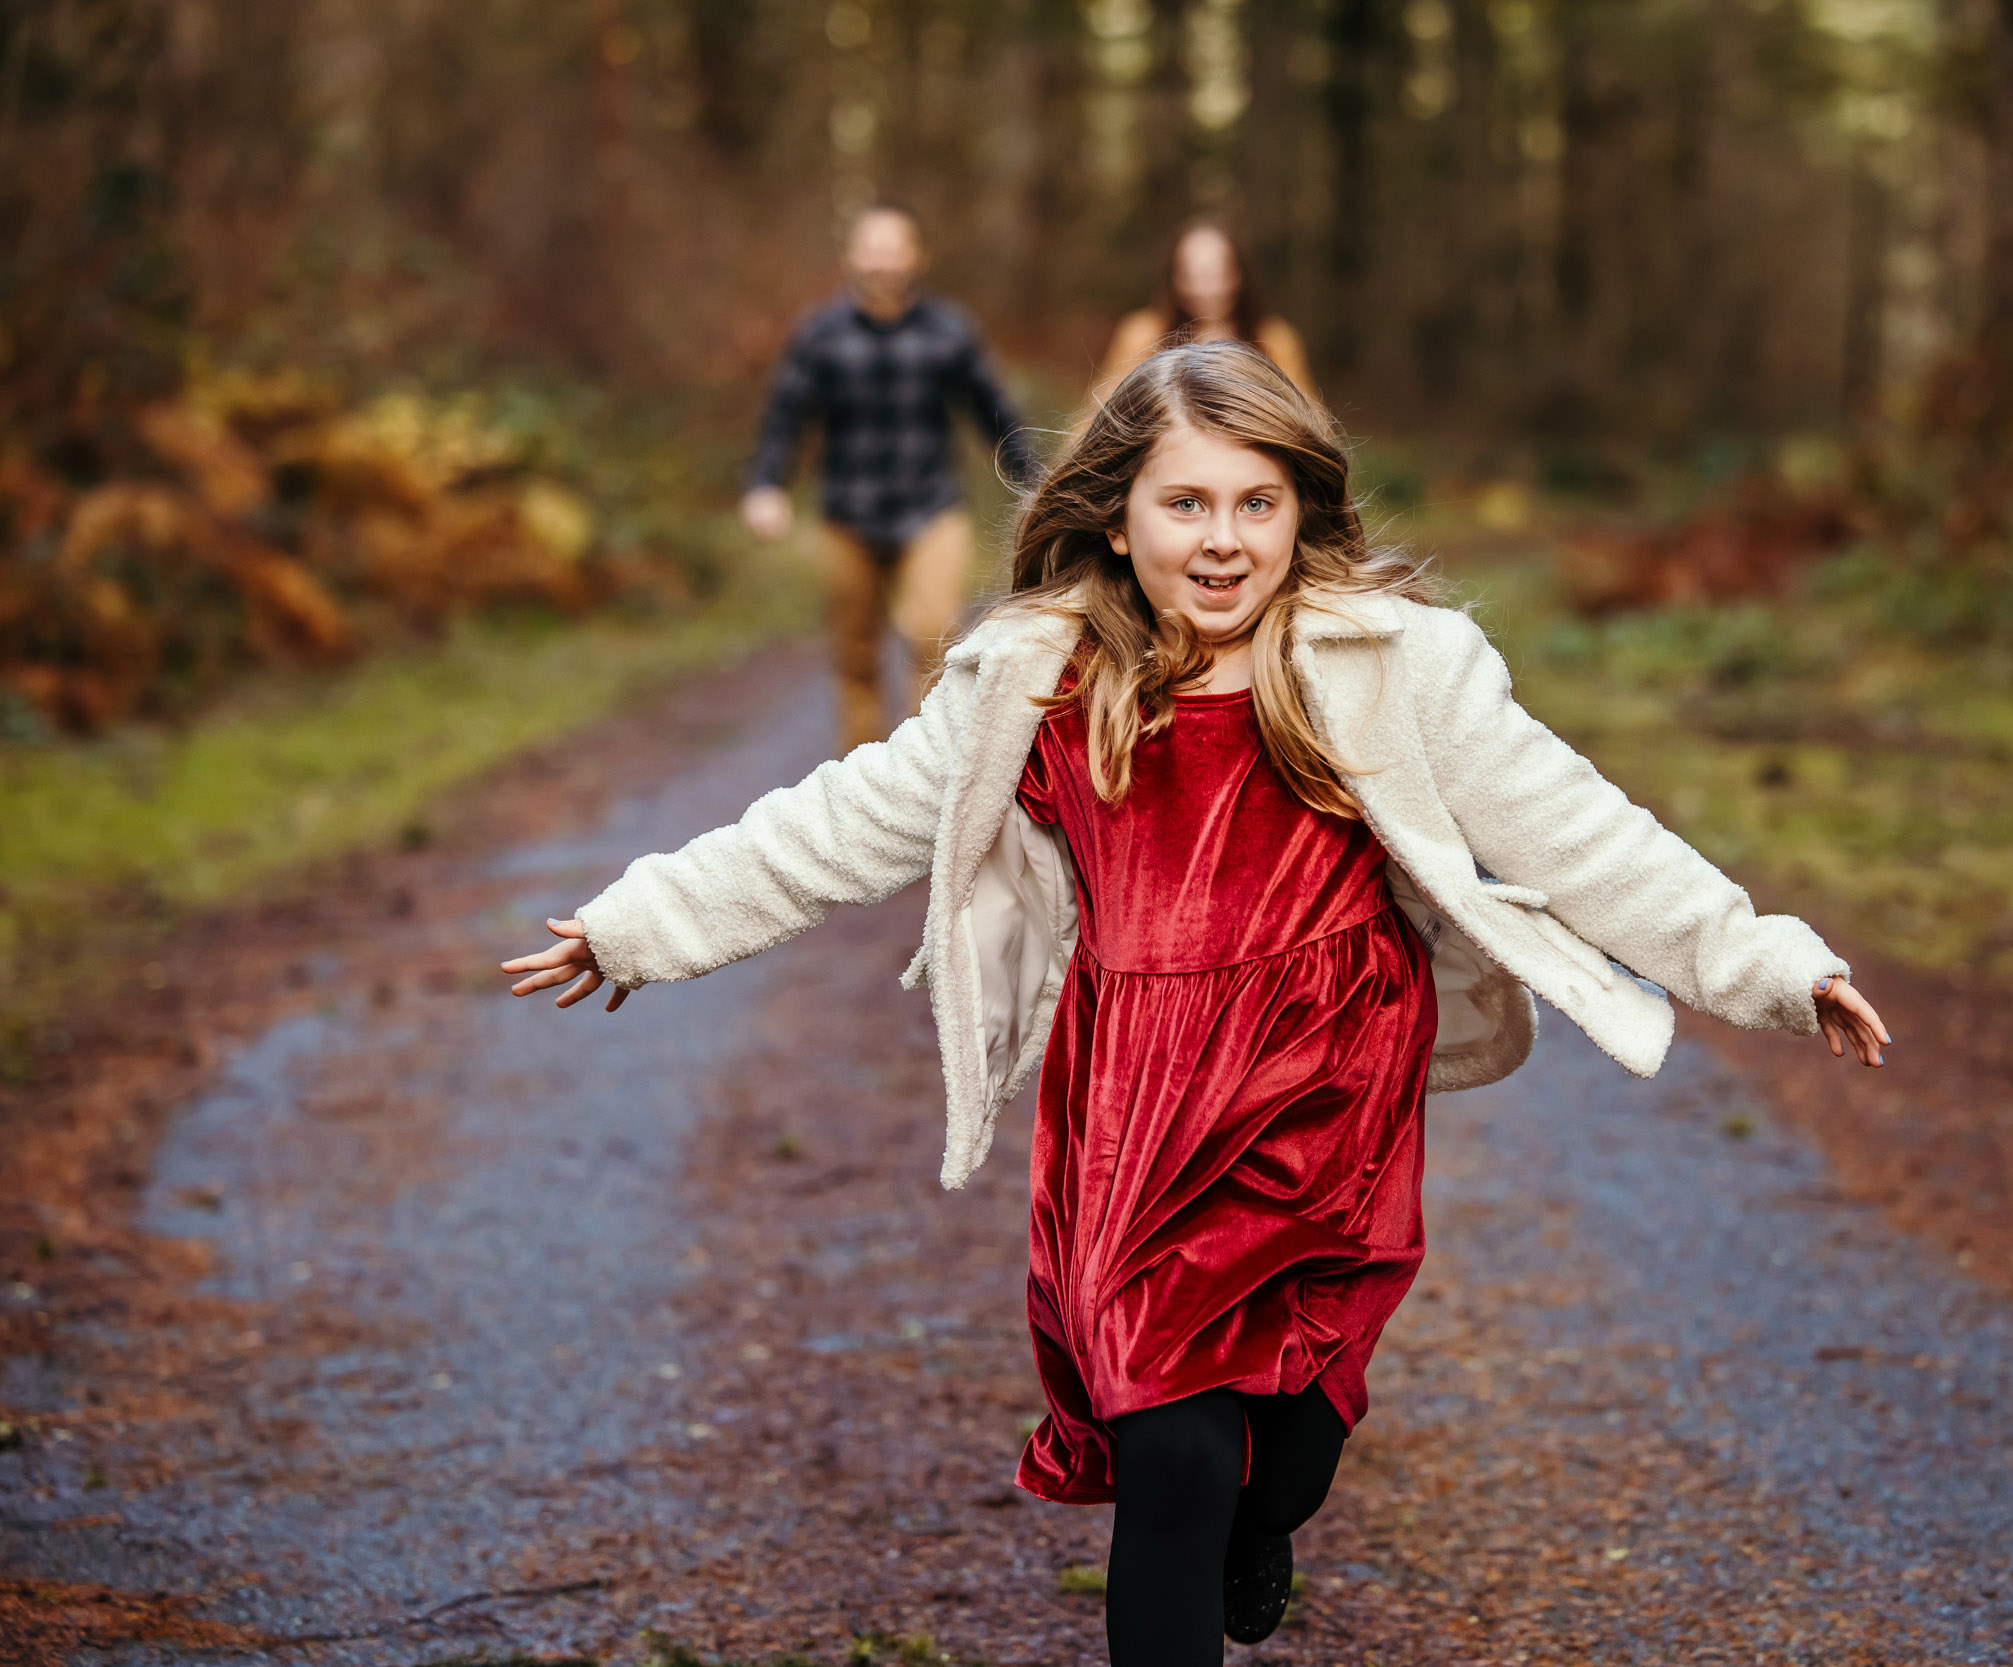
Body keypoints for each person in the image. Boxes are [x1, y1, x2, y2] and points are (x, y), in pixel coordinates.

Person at [502, 342, 1890, 1664]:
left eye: (1256, 503)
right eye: (1186, 503)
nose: (1222, 539)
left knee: (1283, 1449)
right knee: (1169, 1448)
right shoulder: (1036, 683)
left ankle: (1265, 1517)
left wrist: (1769, 961)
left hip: (1327, 1099)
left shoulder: (1383, 664)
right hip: (1139, 1103)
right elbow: (840, 821)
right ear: (1116, 519)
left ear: (1300, 513)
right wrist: (641, 923)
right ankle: (1205, 1527)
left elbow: (1579, 830)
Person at [741, 202, 1039, 753]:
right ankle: (858, 784)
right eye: (870, 248)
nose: (881, 261)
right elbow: (785, 414)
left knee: (932, 637)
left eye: (893, 248)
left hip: (931, 509)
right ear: (853, 256)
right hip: (847, 516)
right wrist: (767, 484)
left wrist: (1035, 481)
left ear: (916, 257)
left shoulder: (948, 331)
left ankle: (918, 778)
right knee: (855, 655)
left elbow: (993, 411)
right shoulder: (820, 334)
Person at [1093, 219, 1315, 403]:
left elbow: (1310, 418)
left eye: (1215, 273)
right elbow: (1100, 412)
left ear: (1238, 274)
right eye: (1191, 274)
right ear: (1173, 278)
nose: (1204, 288)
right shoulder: (1141, 334)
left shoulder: (1275, 340)